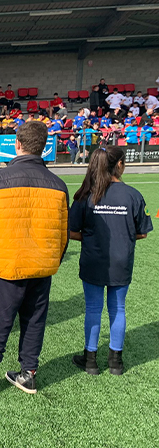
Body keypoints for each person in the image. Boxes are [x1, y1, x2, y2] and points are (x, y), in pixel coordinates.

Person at [0, 121, 69, 396]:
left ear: (17, 144)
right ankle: (28, 375)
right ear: (44, 147)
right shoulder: (58, 185)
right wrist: (53, 259)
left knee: (0, 319)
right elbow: (63, 233)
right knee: (35, 320)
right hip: (42, 266)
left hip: (8, 264)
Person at [68, 147, 152, 376]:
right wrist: (121, 235)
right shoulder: (133, 195)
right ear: (120, 165)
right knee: (118, 308)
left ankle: (90, 360)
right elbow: (142, 232)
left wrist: (92, 237)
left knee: (93, 308)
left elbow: (71, 231)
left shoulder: (86, 194)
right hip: (121, 261)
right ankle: (116, 362)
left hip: (93, 260)